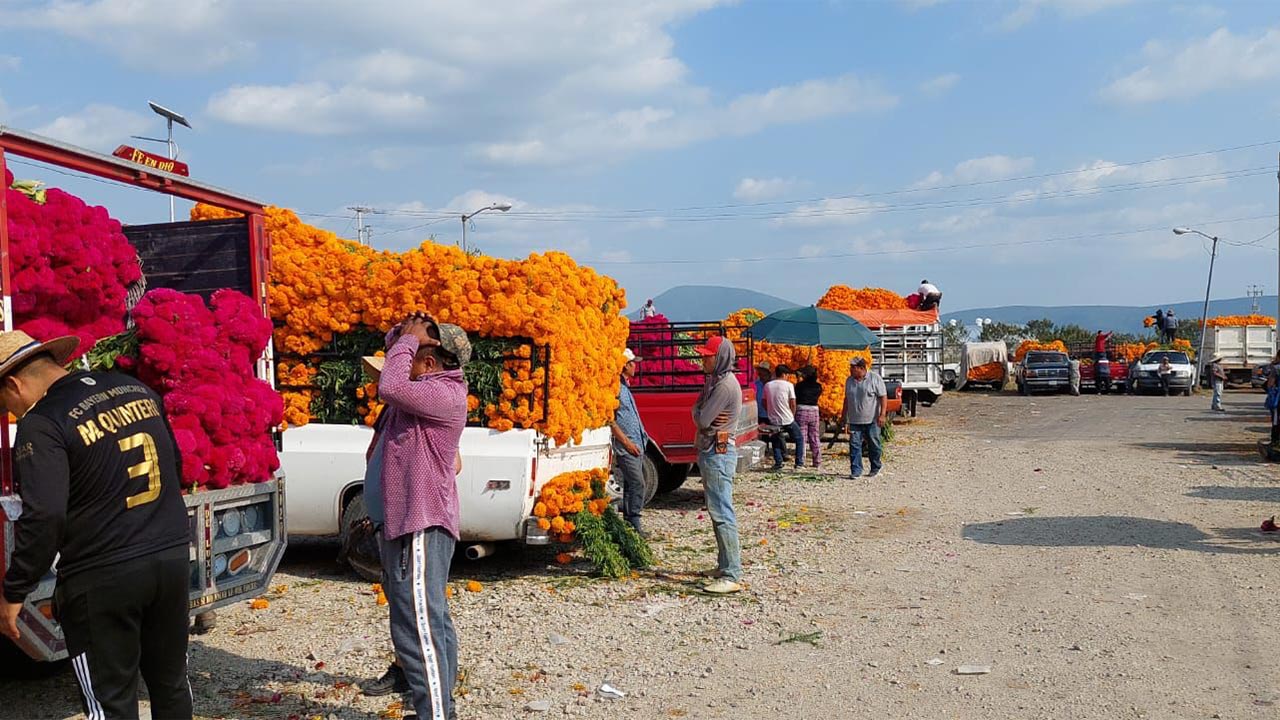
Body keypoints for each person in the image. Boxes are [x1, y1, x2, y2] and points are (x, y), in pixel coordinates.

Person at [0, 330, 193, 719]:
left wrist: (14, 590)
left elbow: (46, 515)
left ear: (12, 383)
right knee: (170, 683)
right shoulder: (134, 389)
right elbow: (175, 467)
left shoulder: (42, 422)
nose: (11, 412)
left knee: (109, 702)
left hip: (102, 577)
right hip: (170, 558)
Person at [377, 314, 471, 720]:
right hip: (410, 523)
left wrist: (409, 343)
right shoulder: (425, 391)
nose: (400, 356)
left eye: (412, 352)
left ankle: (435, 714)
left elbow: (389, 384)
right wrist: (403, 335)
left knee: (419, 630)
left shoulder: (445, 394)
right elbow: (391, 362)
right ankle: (439, 707)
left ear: (430, 363)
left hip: (421, 523)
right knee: (428, 621)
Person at [360, 354, 463, 699]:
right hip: (390, 522)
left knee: (421, 615)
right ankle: (416, 678)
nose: (379, 384)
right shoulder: (396, 411)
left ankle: (436, 700)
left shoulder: (435, 402)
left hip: (417, 521)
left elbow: (454, 463)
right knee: (411, 609)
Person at [691, 335, 743, 595]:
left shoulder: (723, 386)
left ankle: (732, 573)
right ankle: (724, 566)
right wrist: (699, 412)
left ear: (719, 358)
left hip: (718, 452)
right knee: (717, 511)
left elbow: (702, 418)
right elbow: (699, 412)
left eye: (707, 355)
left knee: (723, 512)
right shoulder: (716, 382)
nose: (703, 359)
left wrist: (699, 413)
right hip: (713, 450)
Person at [608, 348, 650, 534]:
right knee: (638, 483)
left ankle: (629, 526)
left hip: (636, 444)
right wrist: (627, 443)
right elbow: (611, 420)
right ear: (624, 365)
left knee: (631, 484)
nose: (636, 366)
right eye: (633, 363)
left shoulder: (625, 386)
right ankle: (634, 522)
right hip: (628, 447)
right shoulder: (616, 389)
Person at [841, 356, 887, 479]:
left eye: (853, 367)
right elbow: (847, 400)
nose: (850, 369)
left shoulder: (875, 378)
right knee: (854, 445)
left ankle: (875, 467)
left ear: (861, 368)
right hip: (855, 420)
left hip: (872, 419)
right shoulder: (849, 381)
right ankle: (856, 470)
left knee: (874, 444)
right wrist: (844, 417)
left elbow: (883, 397)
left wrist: (882, 415)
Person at [764, 365, 802, 471]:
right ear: (785, 374)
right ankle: (799, 462)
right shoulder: (789, 385)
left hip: (773, 419)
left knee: (775, 441)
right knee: (799, 438)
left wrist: (770, 411)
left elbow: (764, 401)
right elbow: (793, 403)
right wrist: (792, 415)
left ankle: (778, 462)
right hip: (787, 418)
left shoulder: (768, 385)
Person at [794, 365, 823, 469]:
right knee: (814, 436)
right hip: (814, 410)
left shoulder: (799, 386)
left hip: (801, 410)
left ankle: (801, 461)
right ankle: (817, 461)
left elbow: (796, 396)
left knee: (802, 437)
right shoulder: (818, 386)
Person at [753, 360, 772, 424]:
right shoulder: (756, 384)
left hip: (770, 416)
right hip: (758, 415)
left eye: (763, 374)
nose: (761, 376)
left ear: (768, 374)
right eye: (760, 373)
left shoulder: (772, 385)